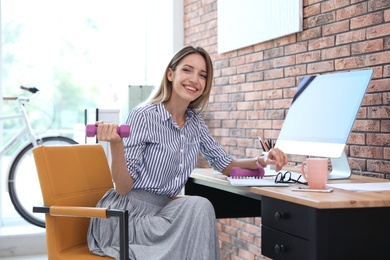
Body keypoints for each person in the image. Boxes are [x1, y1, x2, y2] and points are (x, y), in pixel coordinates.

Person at [87, 45, 288, 260]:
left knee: (199, 205)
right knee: (191, 225)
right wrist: (116, 144)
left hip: (160, 213)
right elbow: (123, 187)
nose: (195, 79)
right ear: (170, 74)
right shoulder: (143, 116)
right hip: (126, 218)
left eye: (202, 75)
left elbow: (226, 164)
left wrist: (262, 159)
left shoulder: (195, 123)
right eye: (187, 70)